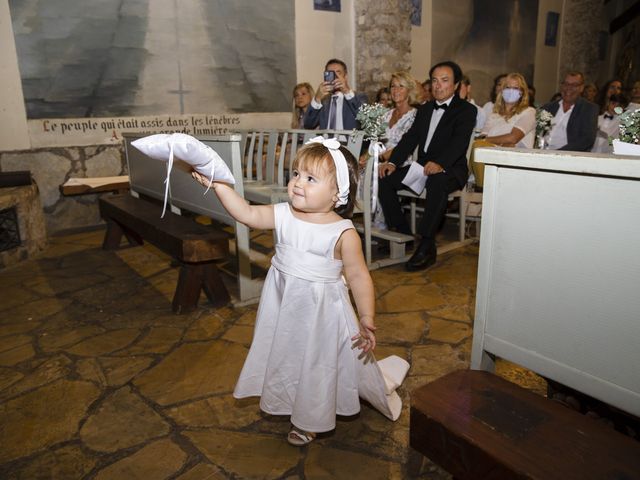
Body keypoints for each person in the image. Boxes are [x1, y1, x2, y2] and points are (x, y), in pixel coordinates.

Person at [192, 138, 407, 445]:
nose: (296, 183)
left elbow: (359, 277)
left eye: (310, 178)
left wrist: (367, 316)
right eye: (295, 174)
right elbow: (247, 214)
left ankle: (310, 419)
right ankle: (288, 395)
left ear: (336, 193)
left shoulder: (343, 233)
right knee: (288, 354)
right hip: (283, 304)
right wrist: (218, 184)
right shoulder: (283, 213)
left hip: (322, 314)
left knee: (316, 363)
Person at [378, 61, 476, 271]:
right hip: (421, 167)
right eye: (434, 81)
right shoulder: (424, 109)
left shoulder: (466, 110)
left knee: (437, 181)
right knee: (384, 179)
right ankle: (404, 234)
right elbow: (410, 138)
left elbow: (459, 143)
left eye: (445, 80)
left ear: (456, 84)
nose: (438, 86)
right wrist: (393, 162)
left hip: (451, 169)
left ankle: (426, 244)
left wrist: (441, 163)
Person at [304, 58, 368, 130]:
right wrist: (317, 99)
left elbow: (366, 120)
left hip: (347, 140)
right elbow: (308, 125)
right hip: (325, 141)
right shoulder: (323, 101)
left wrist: (347, 91)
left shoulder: (358, 97)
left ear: (345, 76)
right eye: (331, 73)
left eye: (338, 73)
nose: (335, 77)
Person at [542, 71, 599, 152]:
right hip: (541, 154)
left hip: (568, 157)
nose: (568, 88)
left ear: (581, 88)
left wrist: (558, 153)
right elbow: (537, 132)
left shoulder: (589, 109)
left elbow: (587, 140)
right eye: (566, 84)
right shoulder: (549, 107)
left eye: (574, 85)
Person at [481, 72, 536, 148]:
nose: (511, 91)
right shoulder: (494, 114)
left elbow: (513, 138)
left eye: (516, 88)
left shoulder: (528, 112)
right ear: (502, 91)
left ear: (522, 93)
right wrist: (504, 143)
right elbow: (482, 138)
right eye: (507, 87)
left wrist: (486, 140)